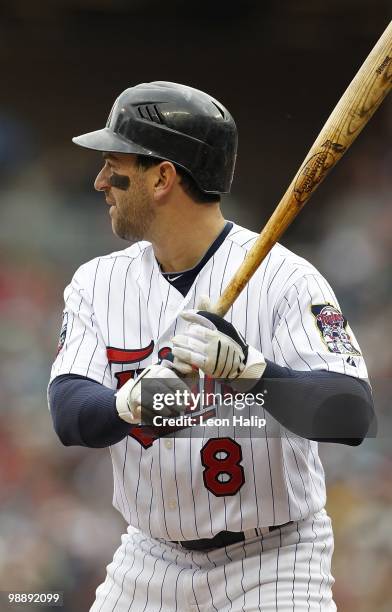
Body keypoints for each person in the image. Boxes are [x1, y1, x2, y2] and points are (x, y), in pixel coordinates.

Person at [48, 81, 374, 611]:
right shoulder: (97, 282)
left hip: (273, 561)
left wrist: (253, 373)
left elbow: (351, 415)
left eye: (114, 163)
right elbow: (69, 414)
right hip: (148, 559)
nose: (100, 180)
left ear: (163, 177)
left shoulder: (287, 279)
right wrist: (127, 403)